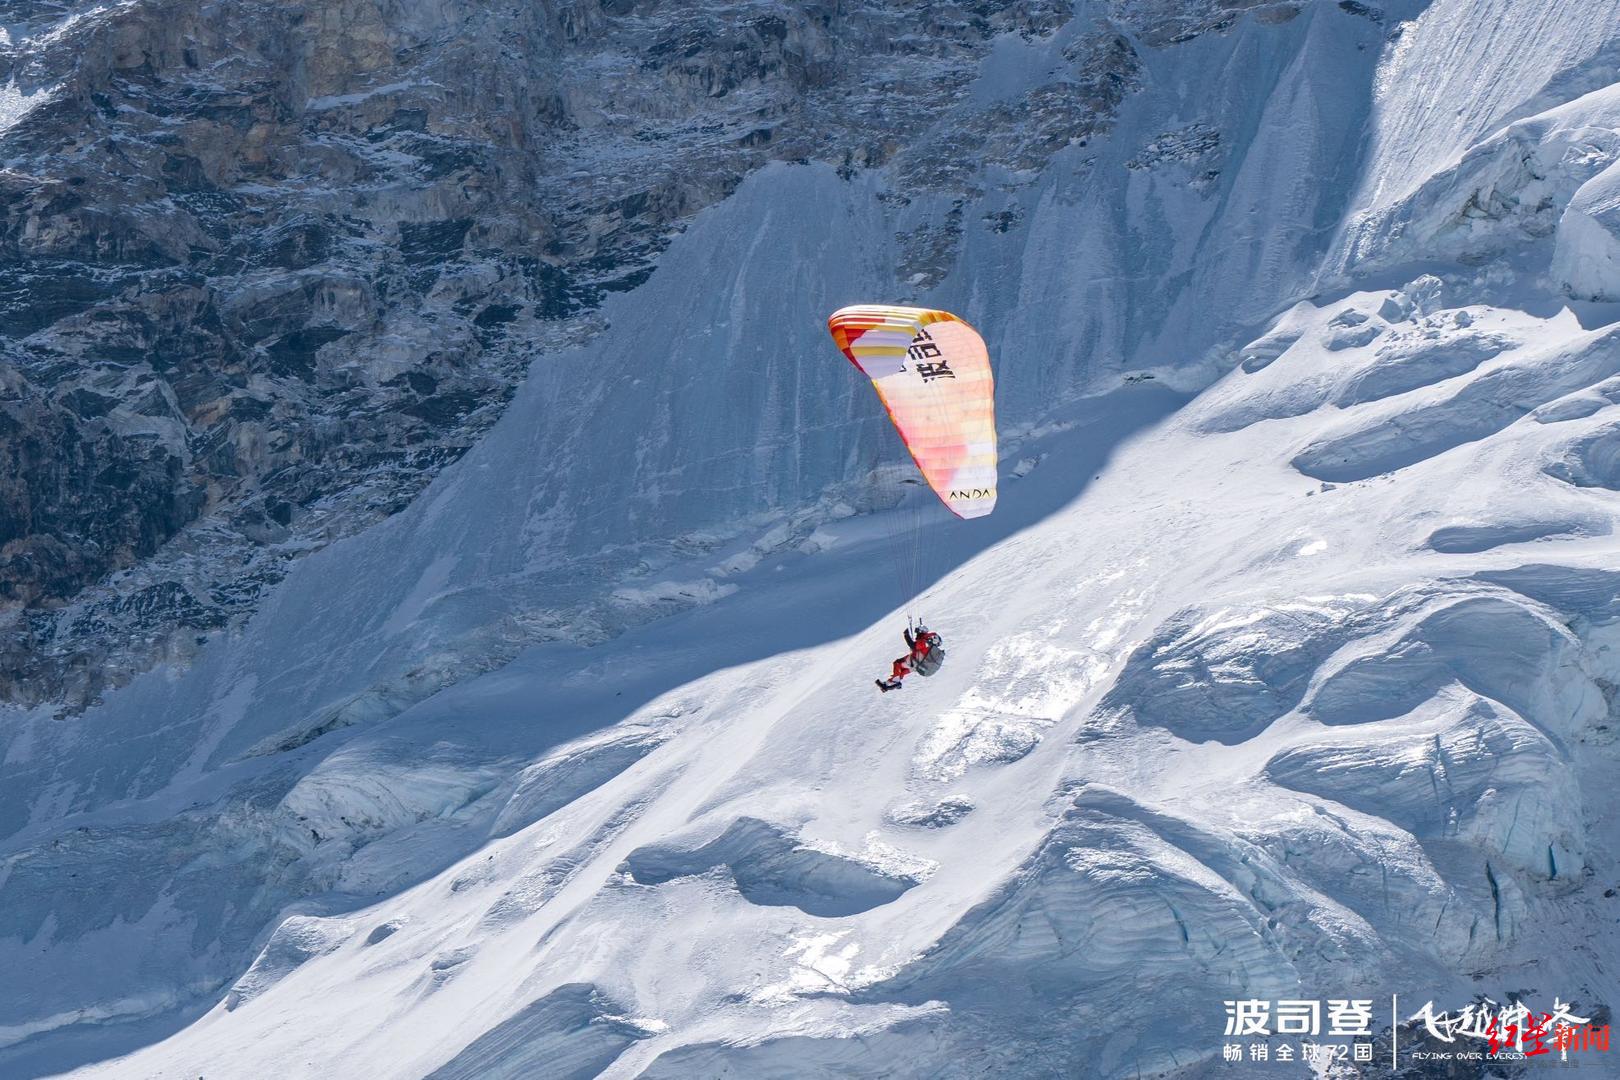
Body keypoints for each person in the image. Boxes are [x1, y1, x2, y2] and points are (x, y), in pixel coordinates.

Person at [876, 624, 940, 692]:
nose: (917, 635)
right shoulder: (929, 643)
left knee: (897, 663)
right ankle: (887, 684)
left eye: (918, 632)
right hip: (917, 666)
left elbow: (912, 645)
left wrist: (906, 634)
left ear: (921, 632)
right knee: (901, 671)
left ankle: (896, 682)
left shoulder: (925, 640)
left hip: (914, 662)